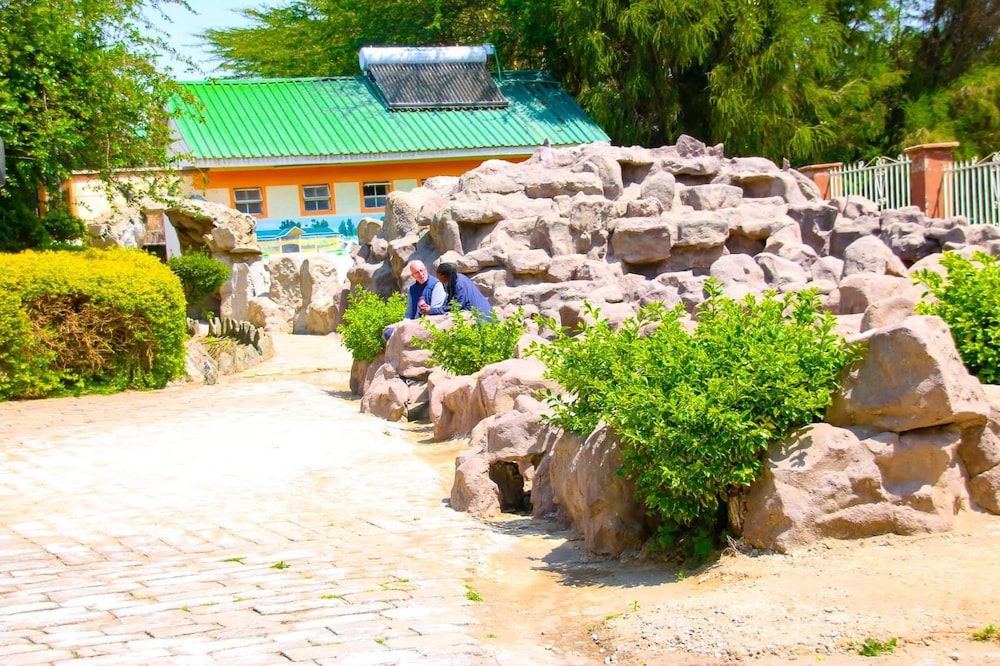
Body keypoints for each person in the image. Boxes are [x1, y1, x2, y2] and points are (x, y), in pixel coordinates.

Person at [382, 259, 446, 340]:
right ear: (413, 276)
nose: (421, 274)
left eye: (421, 270)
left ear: (426, 269)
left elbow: (436, 313)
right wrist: (404, 325)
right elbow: (409, 314)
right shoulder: (412, 289)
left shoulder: (436, 285)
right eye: (417, 273)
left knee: (402, 336)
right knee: (388, 333)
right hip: (414, 323)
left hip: (429, 324)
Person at [426, 263, 495, 322]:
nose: (439, 280)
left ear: (444, 276)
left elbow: (455, 307)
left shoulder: (459, 285)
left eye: (439, 277)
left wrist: (432, 311)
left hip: (482, 318)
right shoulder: (459, 278)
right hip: (485, 314)